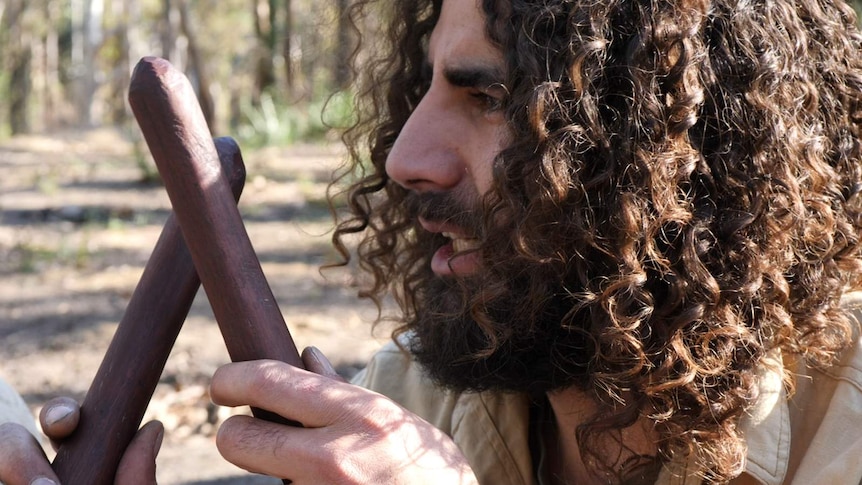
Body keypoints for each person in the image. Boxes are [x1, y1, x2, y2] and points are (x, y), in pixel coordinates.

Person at [2, 0, 862, 483]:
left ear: (682, 139)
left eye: (486, 97)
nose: (403, 158)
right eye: (423, 91)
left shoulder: (846, 424)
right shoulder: (414, 389)